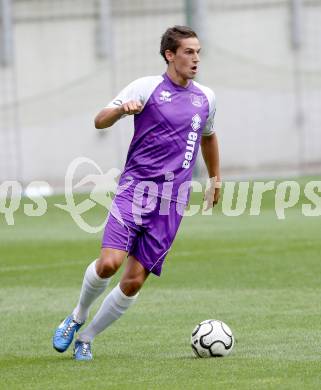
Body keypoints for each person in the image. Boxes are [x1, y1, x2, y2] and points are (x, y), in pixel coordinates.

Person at [53, 25, 221, 361]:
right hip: (136, 190)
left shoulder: (206, 98)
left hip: (172, 203)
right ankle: (77, 316)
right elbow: (99, 121)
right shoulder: (147, 88)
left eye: (198, 51)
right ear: (169, 55)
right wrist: (120, 110)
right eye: (188, 52)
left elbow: (208, 136)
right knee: (109, 264)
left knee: (132, 282)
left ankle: (87, 338)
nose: (196, 58)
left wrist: (215, 177)